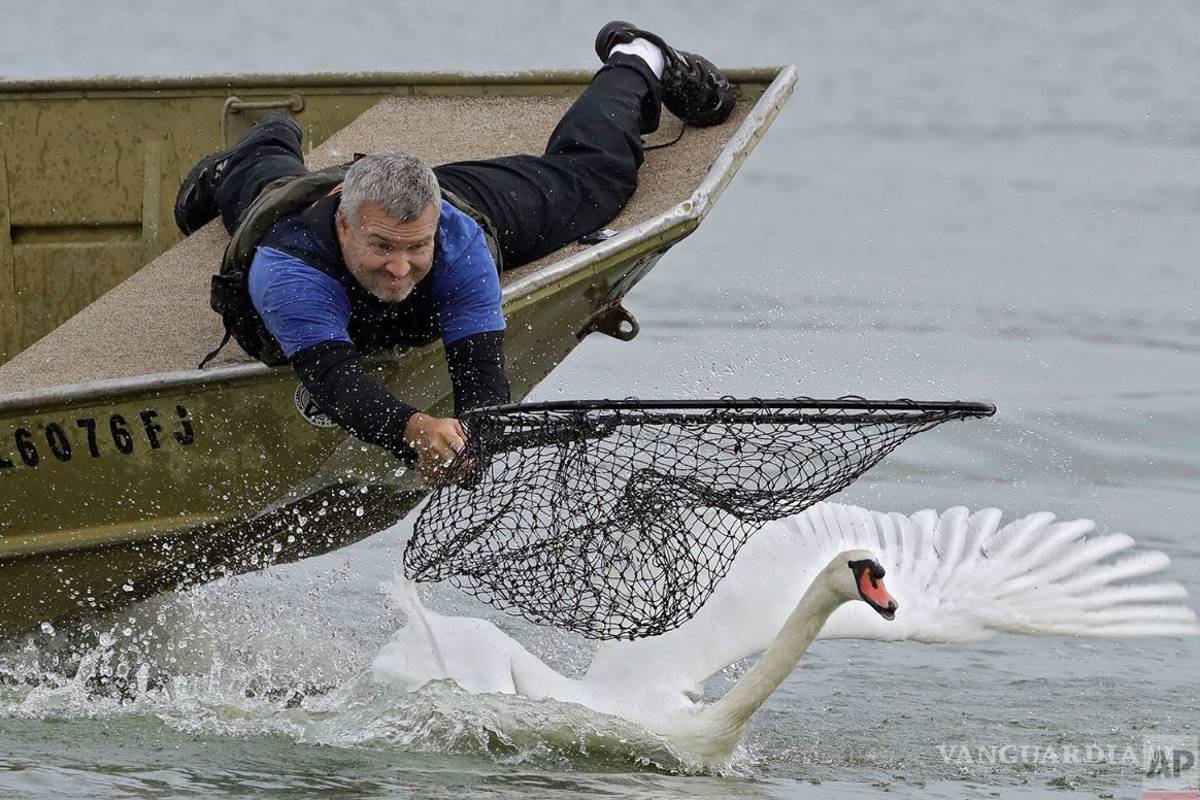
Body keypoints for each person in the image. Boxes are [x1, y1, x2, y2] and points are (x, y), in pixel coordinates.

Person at [174, 21, 736, 483]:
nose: (400, 268)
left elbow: (481, 376)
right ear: (344, 226)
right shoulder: (289, 268)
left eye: (416, 248)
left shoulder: (458, 239)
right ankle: (256, 147)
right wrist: (416, 432)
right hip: (298, 211)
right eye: (381, 248)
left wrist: (472, 447)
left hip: (462, 198)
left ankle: (638, 58)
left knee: (596, 182)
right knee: (269, 191)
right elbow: (335, 383)